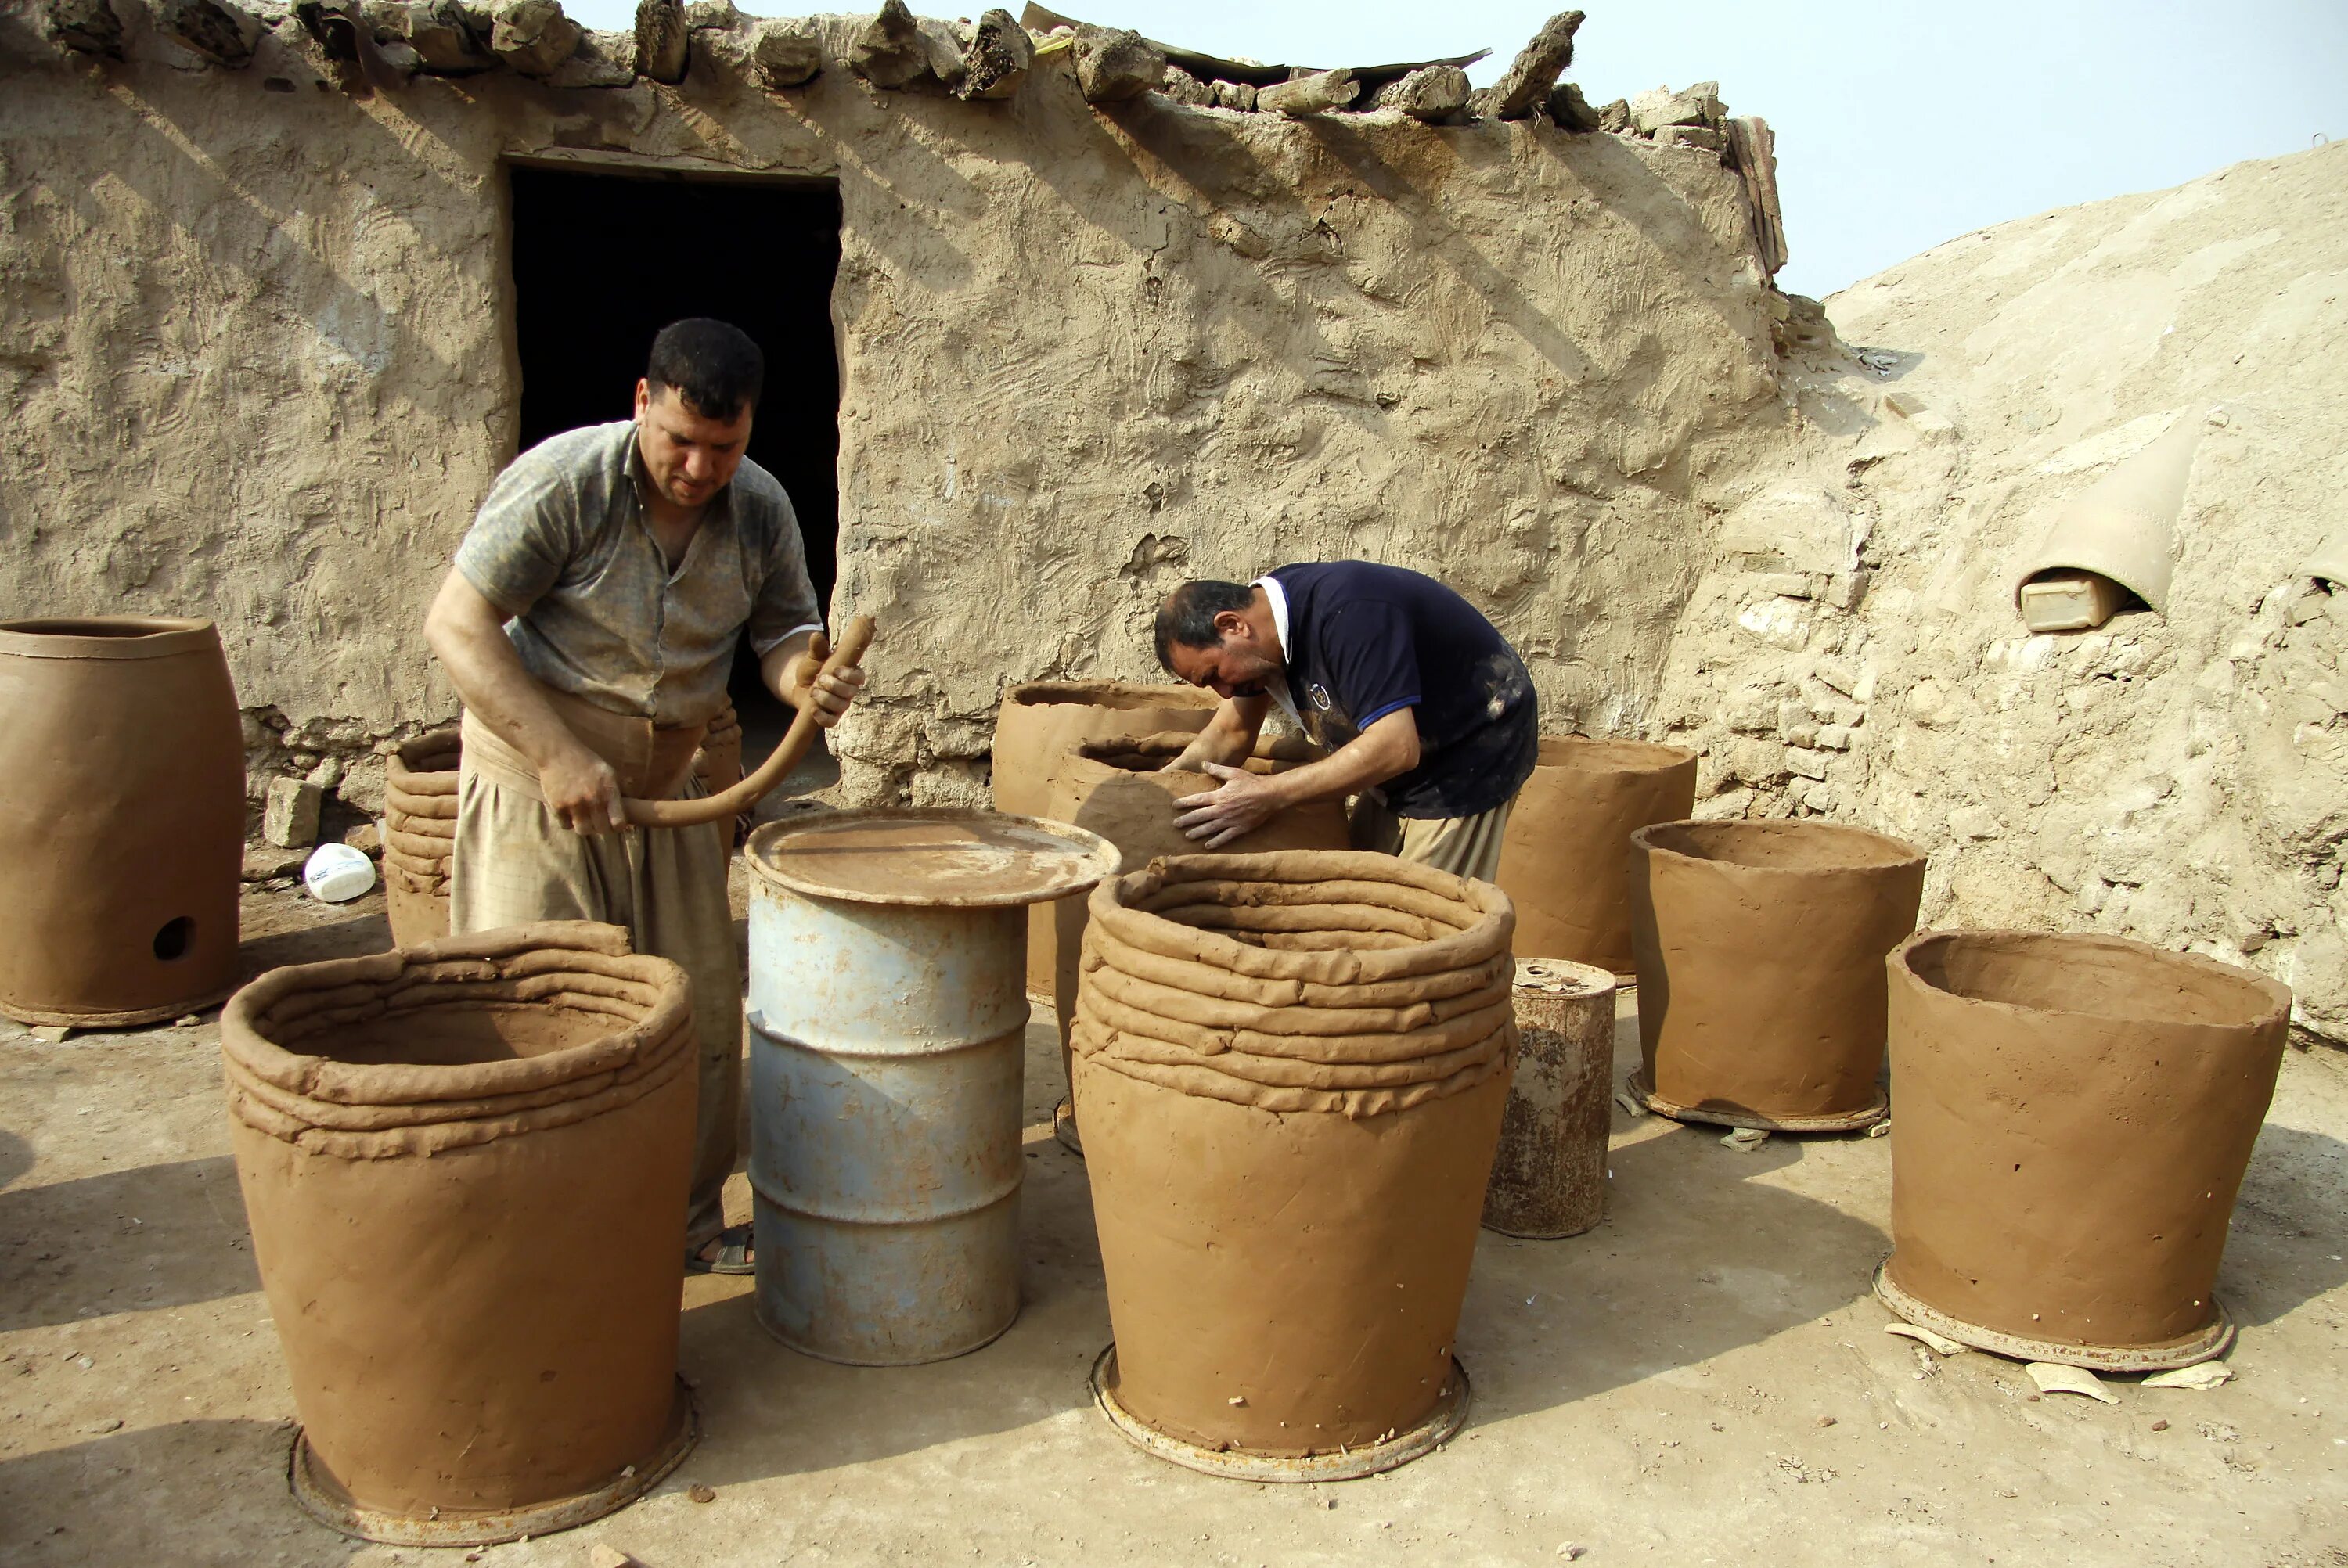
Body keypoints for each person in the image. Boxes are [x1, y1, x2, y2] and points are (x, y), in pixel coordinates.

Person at [423, 318, 863, 1275]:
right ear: (641, 404)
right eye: (681, 441)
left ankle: (687, 1232)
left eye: (725, 446)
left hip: (669, 796)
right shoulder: (563, 483)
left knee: (692, 1024)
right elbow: (458, 625)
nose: (701, 467)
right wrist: (554, 753)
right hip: (538, 789)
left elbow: (785, 633)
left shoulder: (760, 506)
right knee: (541, 1016)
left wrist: (804, 682)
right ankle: (540, 1245)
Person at [1152, 564, 1537, 879]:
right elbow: (1229, 733)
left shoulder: (1351, 613)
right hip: (1398, 758)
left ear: (1233, 626)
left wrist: (1269, 795)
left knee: (1415, 921)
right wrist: (1153, 791)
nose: (1222, 691)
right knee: (1362, 889)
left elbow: (1395, 748)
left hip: (1468, 752)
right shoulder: (1265, 640)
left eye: (1215, 673)